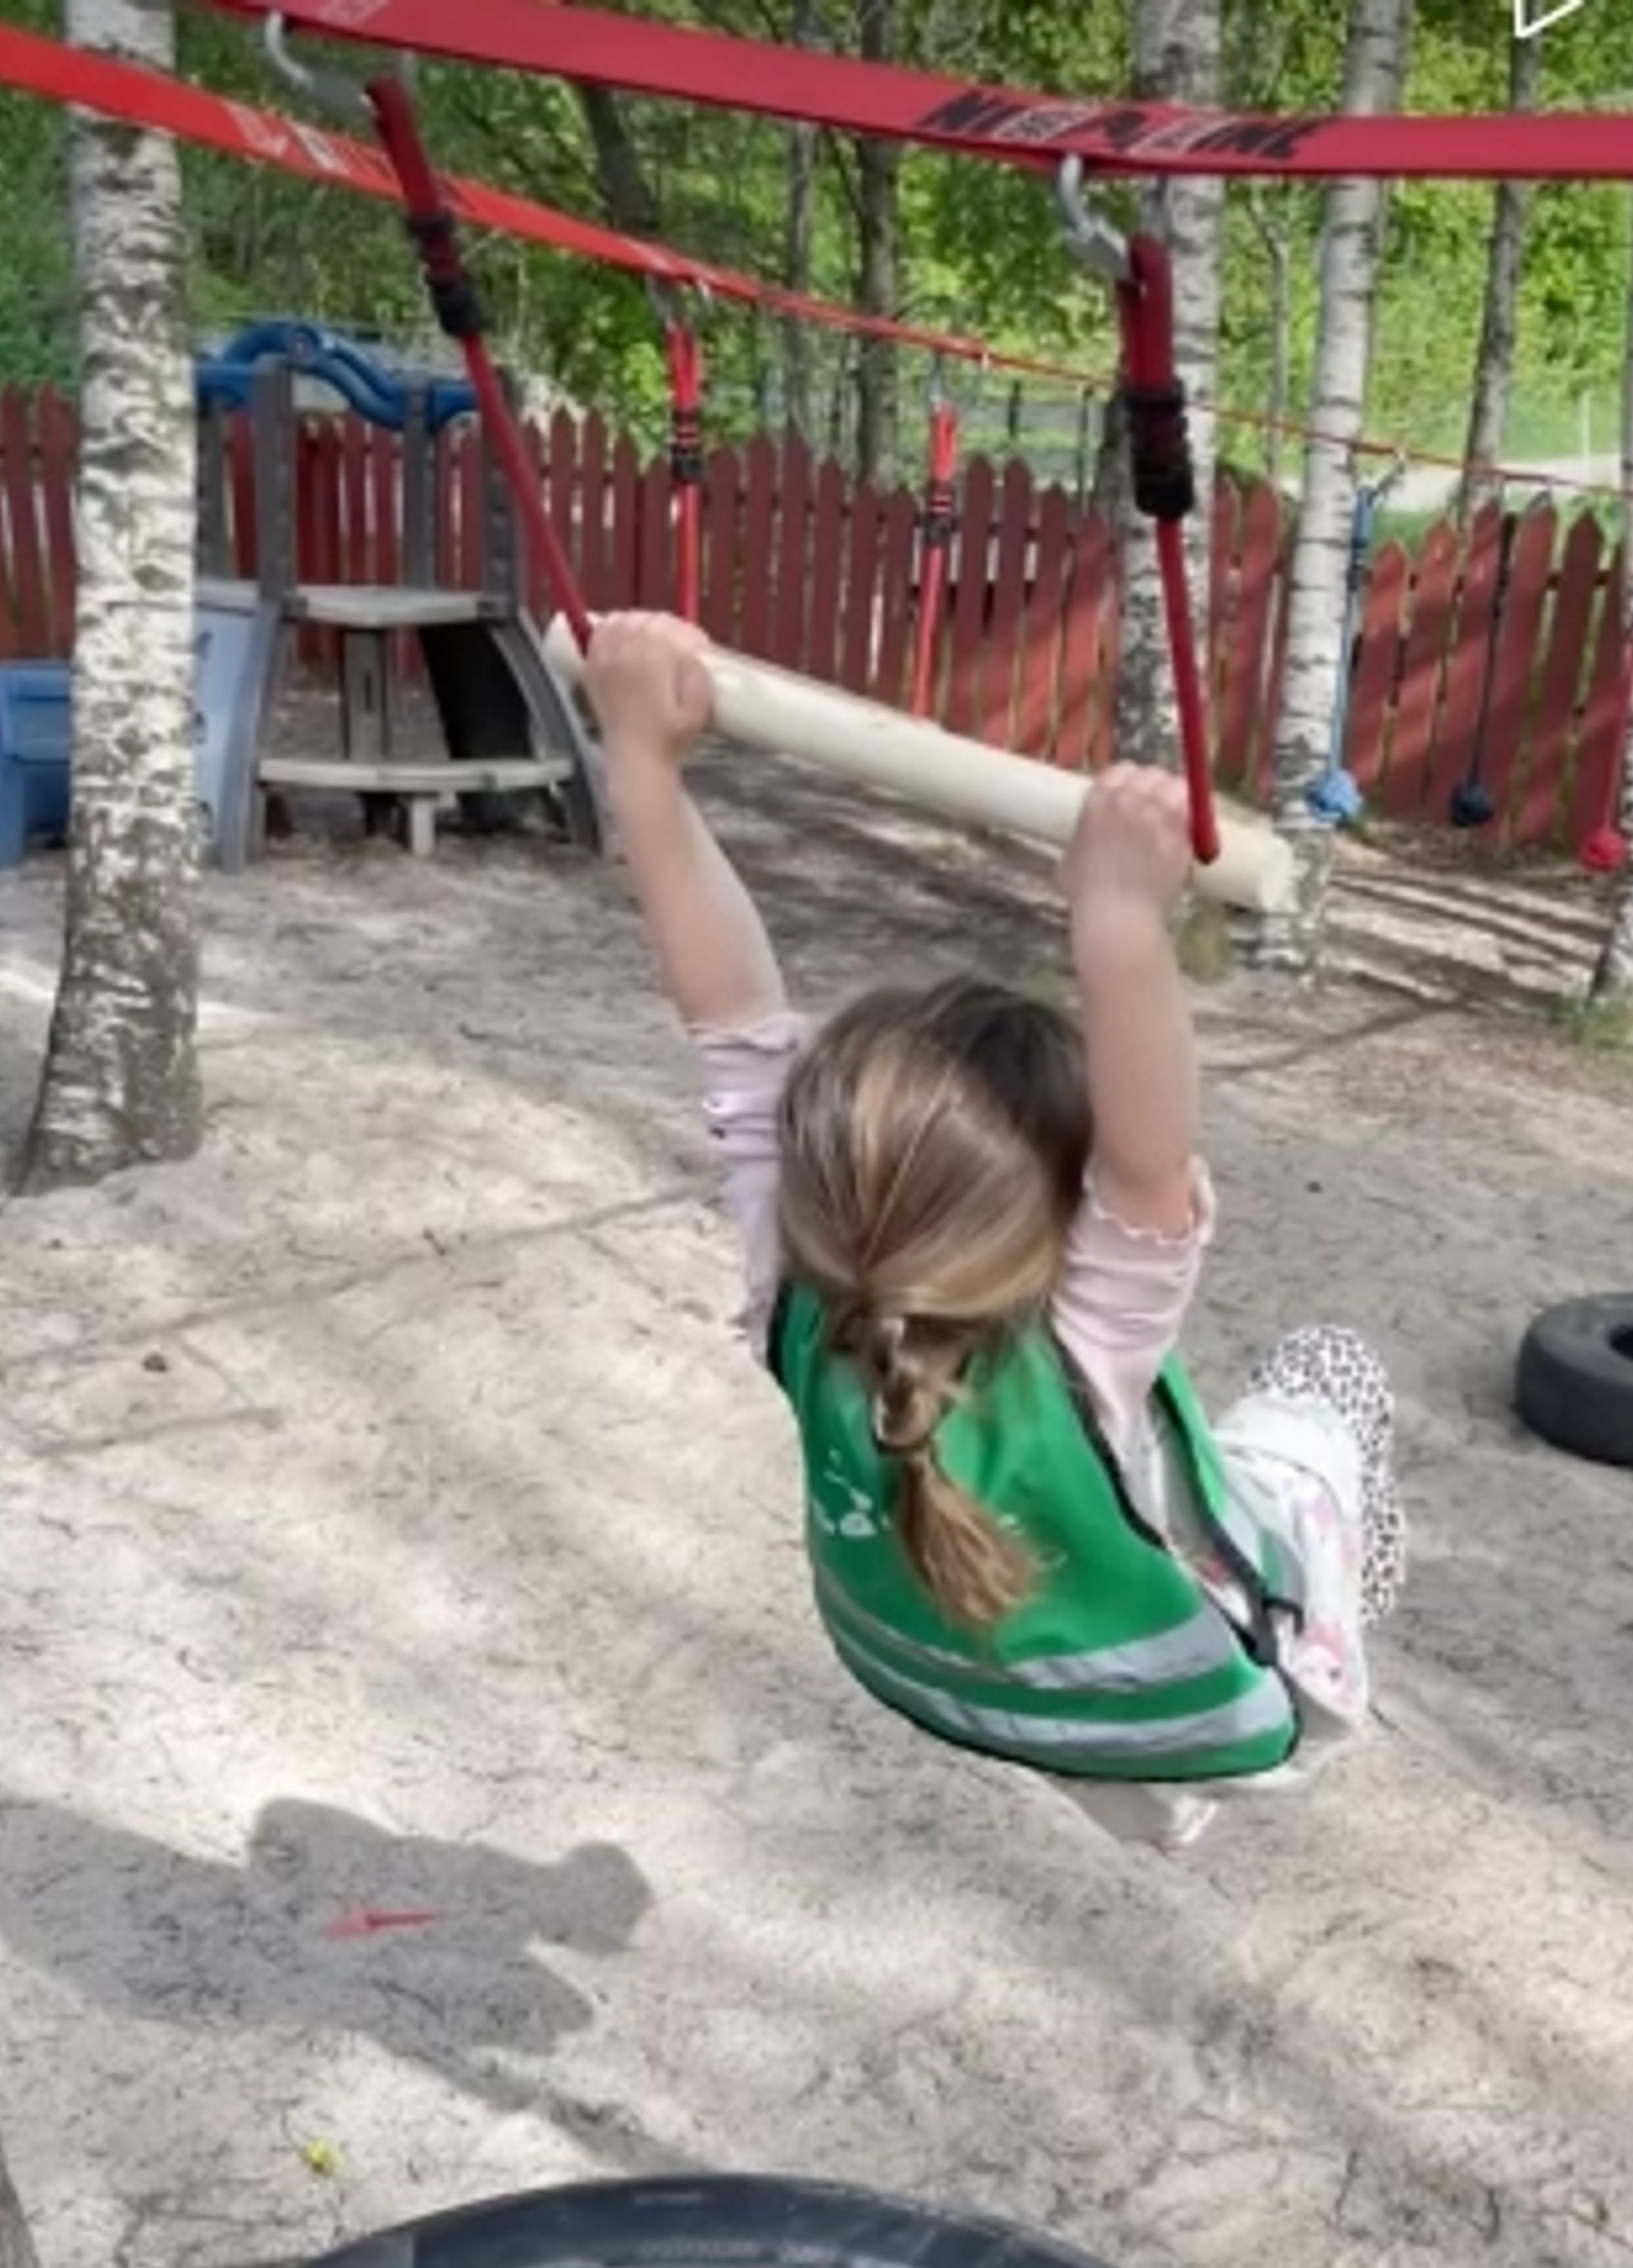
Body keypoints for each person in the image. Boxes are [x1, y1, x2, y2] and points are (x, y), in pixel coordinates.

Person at [582, 612, 1406, 1851]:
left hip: (935, 1672)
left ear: (817, 1159)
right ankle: (1316, 1632)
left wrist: (640, 761)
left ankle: (1123, 1728)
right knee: (1332, 1386)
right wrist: (1120, 920)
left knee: (1148, 1497)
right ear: (1068, 1209)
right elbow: (1150, 1157)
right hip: (1173, 1705)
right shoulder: (1082, 1348)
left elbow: (733, 1020)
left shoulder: (804, 1284)